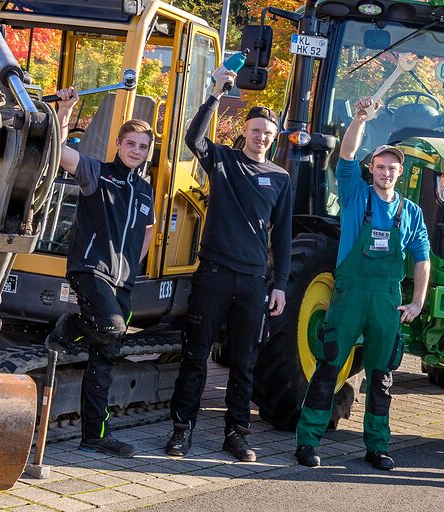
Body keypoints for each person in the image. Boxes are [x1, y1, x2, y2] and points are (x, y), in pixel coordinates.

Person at [294, 96, 430, 470]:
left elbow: (422, 258)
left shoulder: (411, 212)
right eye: (380, 166)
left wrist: (417, 301)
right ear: (372, 169)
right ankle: (307, 440)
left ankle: (377, 446)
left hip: (387, 301)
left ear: (400, 172)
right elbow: (348, 153)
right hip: (349, 295)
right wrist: (359, 119)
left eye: (392, 167)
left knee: (382, 376)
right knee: (329, 365)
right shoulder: (356, 194)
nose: (386, 172)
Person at [164, 67, 292, 462]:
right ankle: (181, 432)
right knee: (196, 355)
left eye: (267, 134)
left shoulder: (281, 178)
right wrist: (215, 95)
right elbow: (193, 138)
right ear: (246, 132)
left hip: (253, 282)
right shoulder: (223, 161)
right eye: (255, 131)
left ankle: (236, 435)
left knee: (245, 362)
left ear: (273, 139)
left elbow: (282, 236)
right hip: (214, 274)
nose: (261, 137)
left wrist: (280, 284)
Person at [45, 86, 156, 458]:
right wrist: (66, 110)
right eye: (131, 144)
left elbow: (149, 231)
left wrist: (134, 266)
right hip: (91, 269)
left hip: (122, 280)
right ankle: (70, 328)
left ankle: (94, 435)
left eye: (143, 147)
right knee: (110, 327)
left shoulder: (144, 190)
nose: (136, 151)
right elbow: (57, 152)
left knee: (106, 356)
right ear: (119, 144)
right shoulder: (97, 172)